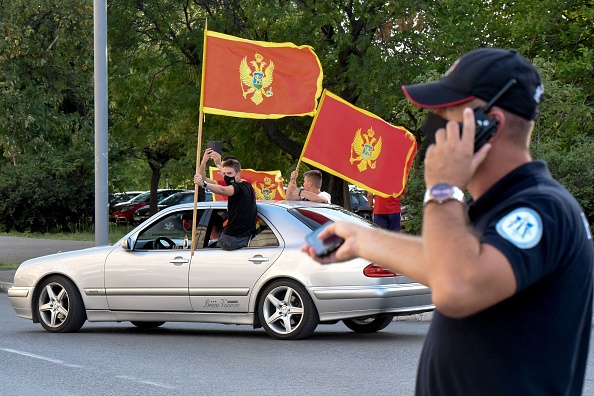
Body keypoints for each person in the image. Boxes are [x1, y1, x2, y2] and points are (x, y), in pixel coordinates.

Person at [302, 48, 593, 395]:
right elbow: (450, 264)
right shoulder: (499, 205)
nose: (433, 119)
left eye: (446, 110)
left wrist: (442, 188)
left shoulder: (541, 208)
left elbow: (456, 285)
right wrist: (361, 239)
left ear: (489, 124)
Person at [194, 149, 256, 250]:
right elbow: (204, 178)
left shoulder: (239, 186)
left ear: (238, 174)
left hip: (233, 238)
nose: (227, 176)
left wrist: (204, 184)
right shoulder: (245, 185)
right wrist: (203, 162)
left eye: (230, 173)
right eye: (225, 173)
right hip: (240, 236)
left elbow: (223, 190)